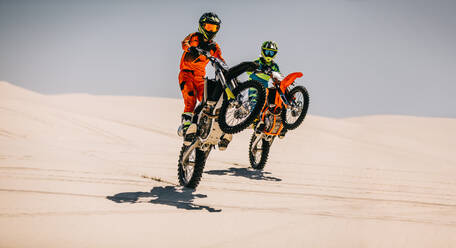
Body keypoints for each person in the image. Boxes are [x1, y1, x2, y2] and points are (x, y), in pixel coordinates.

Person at [177, 12, 232, 148]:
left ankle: (217, 128)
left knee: (208, 101)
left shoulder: (214, 46)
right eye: (208, 27)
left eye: (214, 28)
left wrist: (226, 69)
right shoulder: (194, 37)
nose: (210, 30)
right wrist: (191, 48)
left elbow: (219, 58)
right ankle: (186, 127)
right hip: (186, 74)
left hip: (201, 77)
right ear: (202, 26)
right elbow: (184, 43)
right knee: (190, 99)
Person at [247, 41, 287, 139]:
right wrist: (256, 70)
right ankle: (256, 122)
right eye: (267, 52)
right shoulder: (257, 62)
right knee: (255, 103)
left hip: (267, 89)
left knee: (280, 101)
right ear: (263, 51)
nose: (269, 55)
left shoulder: (274, 66)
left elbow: (277, 75)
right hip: (255, 88)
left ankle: (283, 124)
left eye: (271, 53)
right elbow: (248, 71)